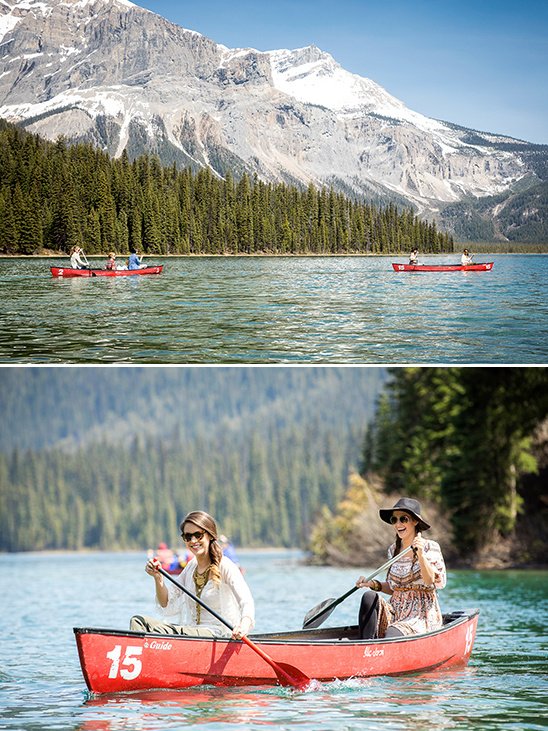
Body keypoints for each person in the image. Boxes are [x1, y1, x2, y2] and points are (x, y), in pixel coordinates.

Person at [130, 511, 254, 639]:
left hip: (217, 634)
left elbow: (246, 602)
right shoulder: (190, 567)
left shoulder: (226, 566)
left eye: (198, 535)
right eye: (188, 536)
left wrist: (243, 627)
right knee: (138, 621)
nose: (193, 541)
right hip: (192, 632)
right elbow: (165, 602)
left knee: (168, 630)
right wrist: (158, 577)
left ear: (210, 535)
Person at [355, 497, 446, 639]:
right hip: (396, 611)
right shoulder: (393, 550)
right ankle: (366, 649)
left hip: (420, 615)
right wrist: (372, 584)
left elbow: (430, 581)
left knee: (392, 632)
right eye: (394, 520)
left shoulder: (430, 547)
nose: (398, 524)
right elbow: (393, 588)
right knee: (369, 596)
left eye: (403, 519)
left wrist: (421, 555)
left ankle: (380, 649)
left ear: (416, 521)